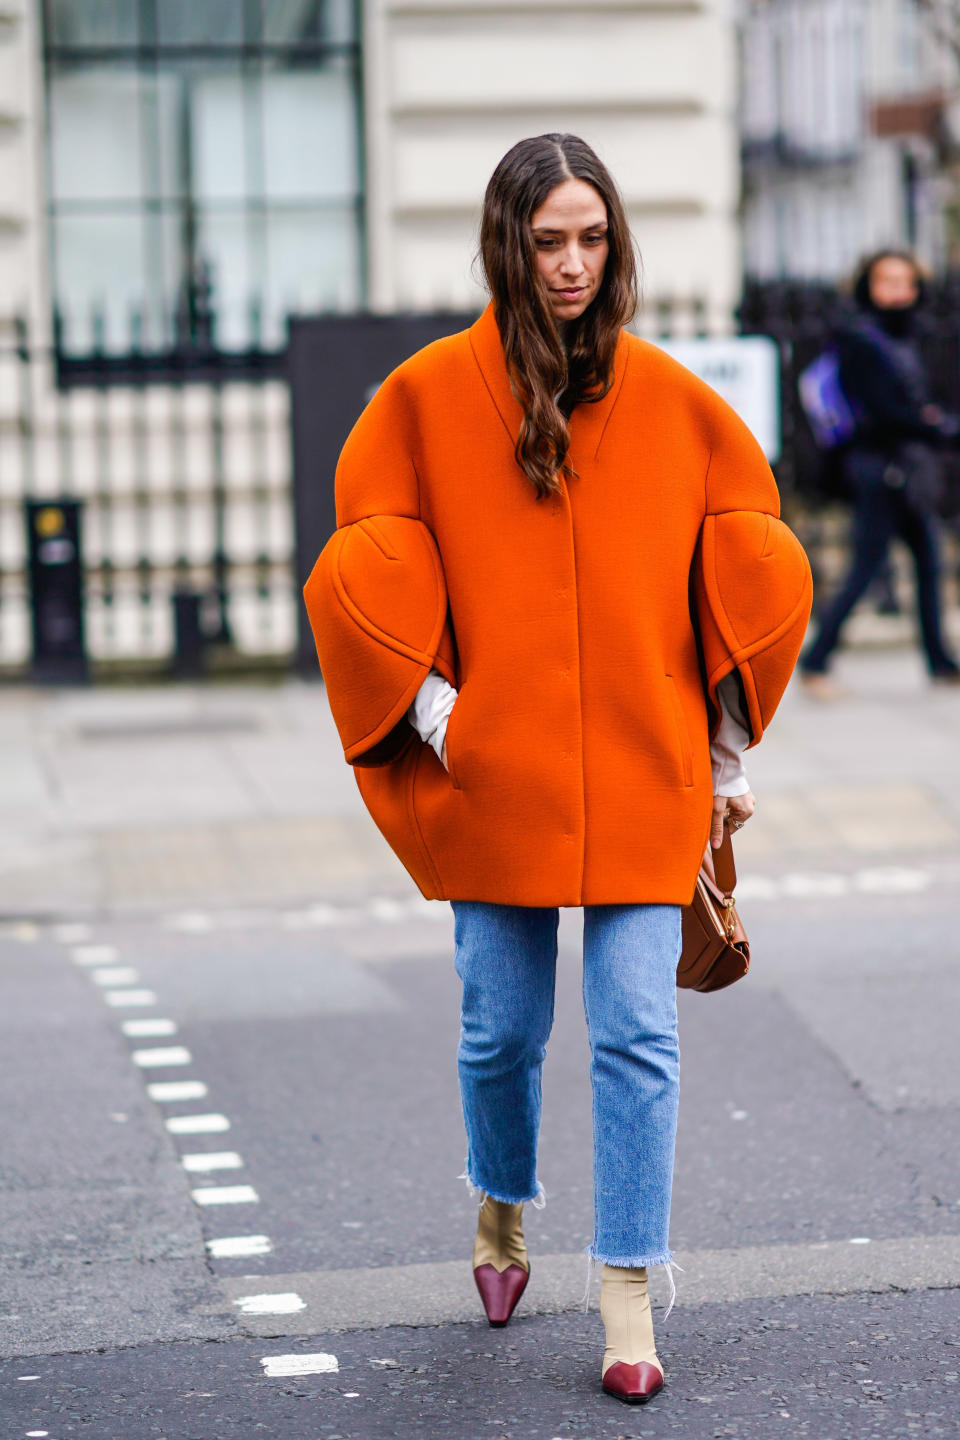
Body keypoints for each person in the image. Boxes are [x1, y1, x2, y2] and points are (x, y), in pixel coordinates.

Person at [304, 134, 812, 1406]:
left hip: (646, 772)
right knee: (503, 1029)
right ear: (508, 245)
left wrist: (725, 751)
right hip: (501, 777)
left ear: (617, 243)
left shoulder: (677, 400)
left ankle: (629, 1298)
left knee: (638, 1033)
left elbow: (748, 565)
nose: (573, 263)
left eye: (593, 237)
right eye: (549, 241)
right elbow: (360, 573)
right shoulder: (423, 397)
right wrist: (442, 720)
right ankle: (499, 1211)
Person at [800, 248, 960, 694]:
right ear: (868, 285)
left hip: (903, 464)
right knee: (866, 565)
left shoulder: (904, 337)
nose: (897, 290)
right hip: (878, 466)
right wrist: (940, 428)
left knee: (928, 559)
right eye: (886, 281)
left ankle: (942, 663)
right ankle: (816, 661)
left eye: (904, 281)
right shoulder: (861, 339)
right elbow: (886, 412)